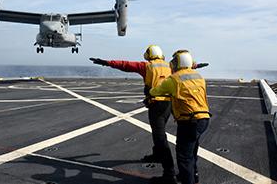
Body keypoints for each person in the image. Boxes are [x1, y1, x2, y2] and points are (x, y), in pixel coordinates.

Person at [90, 45, 177, 183]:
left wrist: (107, 63)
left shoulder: (147, 66)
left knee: (160, 137)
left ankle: (169, 173)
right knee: (157, 132)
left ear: (149, 55)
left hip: (156, 105)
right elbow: (185, 67)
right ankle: (157, 155)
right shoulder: (170, 66)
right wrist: (195, 65)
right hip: (168, 105)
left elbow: (125, 65)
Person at [149, 50, 210, 184]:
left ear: (178, 63)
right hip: (204, 119)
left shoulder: (174, 79)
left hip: (189, 121)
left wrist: (150, 91)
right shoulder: (199, 76)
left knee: (184, 157)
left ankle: (188, 180)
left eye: (175, 61)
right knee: (192, 151)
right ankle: (194, 176)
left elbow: (156, 91)